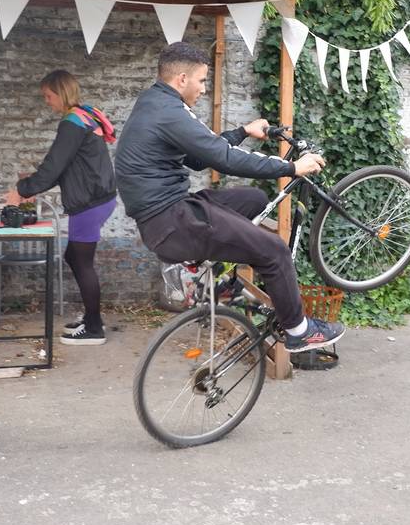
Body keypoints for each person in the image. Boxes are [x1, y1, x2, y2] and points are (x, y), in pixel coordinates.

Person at [114, 42, 342, 353]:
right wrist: (292, 167)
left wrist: (244, 131)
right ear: (182, 79)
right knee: (274, 251)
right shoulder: (170, 112)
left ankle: (215, 281)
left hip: (168, 217)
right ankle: (299, 330)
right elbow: (224, 158)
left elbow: (198, 157)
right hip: (173, 223)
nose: (204, 89)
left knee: (252, 200)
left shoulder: (154, 102)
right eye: (202, 81)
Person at [4, 70, 118, 346]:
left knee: (82, 261)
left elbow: (53, 167)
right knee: (74, 257)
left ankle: (93, 329)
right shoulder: (84, 116)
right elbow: (62, 166)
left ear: (61, 92)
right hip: (97, 199)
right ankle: (93, 318)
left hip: (89, 203)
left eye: (48, 95)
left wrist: (21, 191)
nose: (47, 101)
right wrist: (29, 187)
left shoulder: (72, 122)